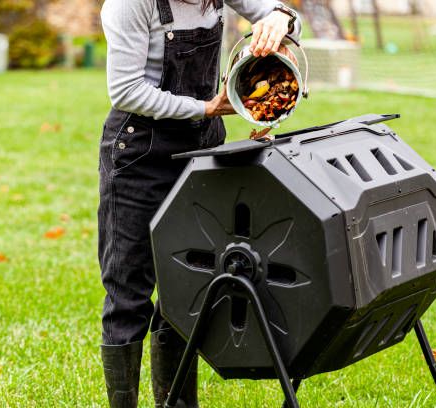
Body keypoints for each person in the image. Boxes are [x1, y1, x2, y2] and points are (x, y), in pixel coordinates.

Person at [98, 1, 301, 406]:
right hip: (140, 154)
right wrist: (205, 107)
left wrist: (283, 20)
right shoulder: (129, 5)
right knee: (129, 296)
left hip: (202, 148)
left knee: (186, 290)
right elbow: (125, 90)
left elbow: (276, 13)